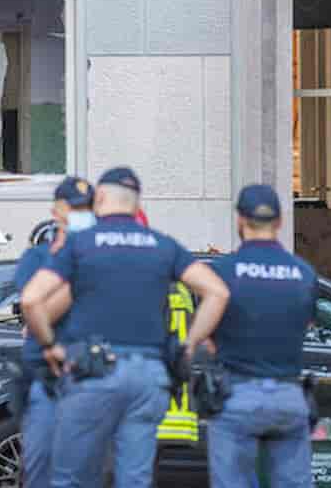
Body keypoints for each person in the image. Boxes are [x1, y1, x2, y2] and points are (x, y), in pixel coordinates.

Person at [20, 167, 231, 488]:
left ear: (100, 198)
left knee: (70, 476)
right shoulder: (162, 245)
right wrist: (190, 344)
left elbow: (32, 300)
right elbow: (217, 292)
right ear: (136, 203)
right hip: (148, 375)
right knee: (134, 477)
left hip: (92, 372)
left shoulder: (81, 245)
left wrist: (50, 346)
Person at [206, 185, 318, 488]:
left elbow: (208, 336)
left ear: (240, 220)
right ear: (280, 222)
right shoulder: (304, 273)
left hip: (237, 394)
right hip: (289, 395)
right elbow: (306, 324)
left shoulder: (223, 272)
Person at [15, 176, 93, 488]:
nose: (81, 214)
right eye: (74, 208)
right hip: (47, 378)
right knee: (40, 469)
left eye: (87, 208)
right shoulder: (37, 258)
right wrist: (81, 279)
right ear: (56, 211)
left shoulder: (101, 255)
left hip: (91, 378)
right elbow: (38, 310)